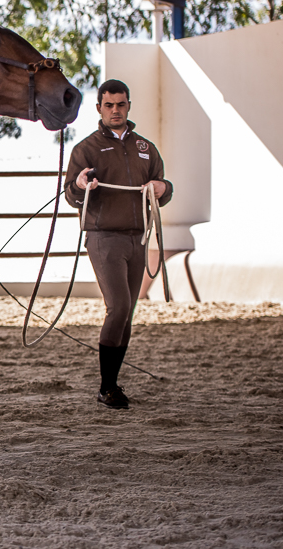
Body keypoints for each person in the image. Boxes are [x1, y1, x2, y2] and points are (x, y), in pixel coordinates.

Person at [65, 79, 173, 409]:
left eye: (121, 104)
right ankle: (107, 387)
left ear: (128, 106)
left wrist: (163, 188)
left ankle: (112, 384)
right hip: (104, 237)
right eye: (109, 105)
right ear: (99, 108)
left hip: (138, 238)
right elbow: (71, 194)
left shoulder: (145, 148)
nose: (115, 110)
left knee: (129, 312)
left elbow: (163, 187)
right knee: (120, 307)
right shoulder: (85, 149)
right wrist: (80, 185)